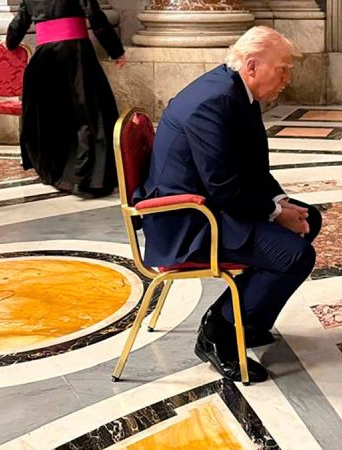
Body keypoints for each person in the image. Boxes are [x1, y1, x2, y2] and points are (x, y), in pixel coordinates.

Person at [133, 26, 322, 383]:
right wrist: (276, 213)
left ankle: (247, 319)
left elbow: (250, 167)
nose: (287, 78)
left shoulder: (236, 91)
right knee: (295, 256)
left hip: (211, 203)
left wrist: (280, 202)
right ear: (252, 66)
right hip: (187, 220)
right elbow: (223, 185)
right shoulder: (215, 101)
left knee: (310, 218)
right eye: (282, 69)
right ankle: (218, 330)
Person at [5, 0, 126, 197]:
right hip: (76, 55)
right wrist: (115, 50)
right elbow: (94, 15)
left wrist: (10, 43)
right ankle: (87, 178)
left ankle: (59, 173)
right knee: (90, 114)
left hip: (45, 58)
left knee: (54, 117)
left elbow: (19, 23)